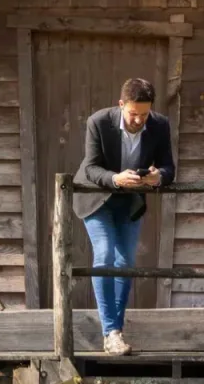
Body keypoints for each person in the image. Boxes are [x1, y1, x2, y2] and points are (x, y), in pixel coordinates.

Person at [72, 77, 175, 356]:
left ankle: (115, 331)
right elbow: (91, 168)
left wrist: (158, 177)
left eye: (145, 114)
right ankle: (111, 332)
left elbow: (169, 168)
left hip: (130, 201)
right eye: (133, 114)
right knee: (104, 255)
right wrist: (116, 178)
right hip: (96, 197)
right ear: (121, 105)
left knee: (126, 263)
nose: (139, 120)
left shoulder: (160, 124)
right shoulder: (98, 121)